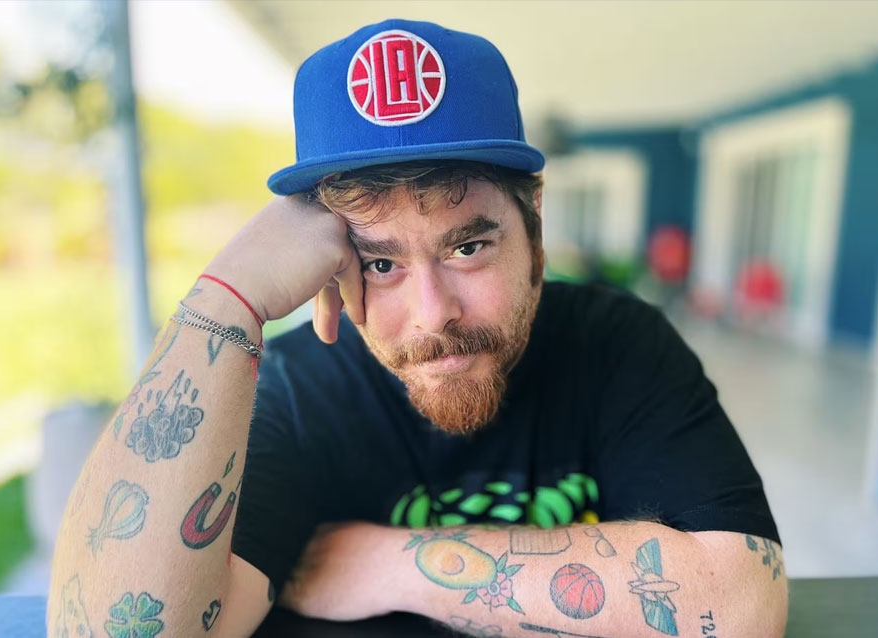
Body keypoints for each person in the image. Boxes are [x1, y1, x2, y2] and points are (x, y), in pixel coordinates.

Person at [48, 19, 787, 638]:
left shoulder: (619, 344)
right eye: (381, 264)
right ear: (331, 268)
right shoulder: (297, 391)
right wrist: (225, 299)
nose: (435, 313)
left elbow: (739, 606)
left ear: (534, 226)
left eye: (469, 248)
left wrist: (392, 564)